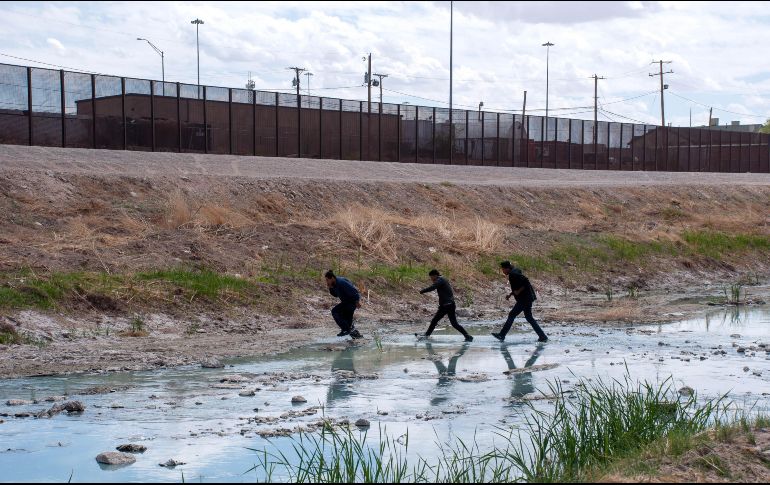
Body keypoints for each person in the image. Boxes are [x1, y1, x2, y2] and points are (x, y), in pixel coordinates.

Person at [492, 261, 548, 342]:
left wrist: (518, 291)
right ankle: (542, 336)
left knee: (512, 315)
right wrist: (511, 294)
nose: (503, 271)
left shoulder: (513, 274)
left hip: (524, 299)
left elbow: (526, 281)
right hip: (528, 298)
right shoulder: (515, 271)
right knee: (529, 317)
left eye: (503, 269)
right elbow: (518, 285)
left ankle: (502, 335)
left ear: (507, 268)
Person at [416, 269, 473, 342]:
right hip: (450, 304)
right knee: (454, 324)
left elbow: (433, 287)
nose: (431, 279)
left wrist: (422, 291)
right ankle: (467, 336)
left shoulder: (440, 280)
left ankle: (426, 336)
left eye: (431, 277)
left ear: (435, 275)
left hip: (446, 305)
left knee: (434, 320)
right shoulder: (442, 279)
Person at [325, 270, 362, 339]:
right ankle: (357, 337)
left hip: (351, 302)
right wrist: (330, 288)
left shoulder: (341, 282)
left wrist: (357, 302)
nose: (327, 282)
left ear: (332, 278)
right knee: (348, 323)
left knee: (335, 311)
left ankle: (345, 330)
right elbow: (335, 295)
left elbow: (354, 291)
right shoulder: (334, 284)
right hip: (347, 302)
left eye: (327, 280)